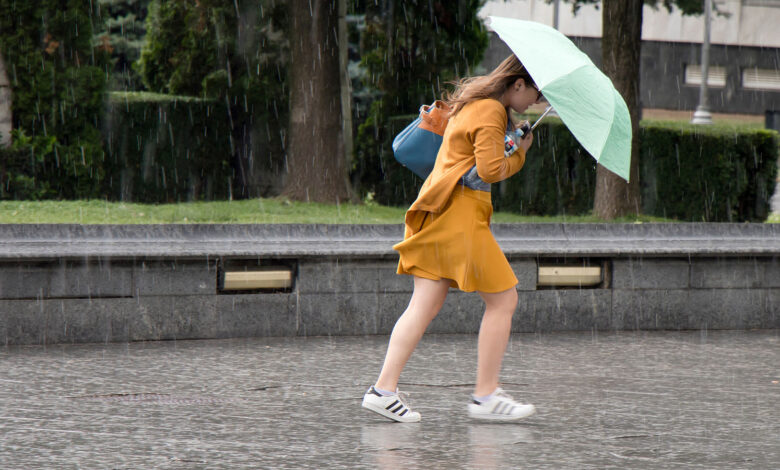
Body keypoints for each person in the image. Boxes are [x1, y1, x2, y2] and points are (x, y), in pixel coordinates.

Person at [362, 54, 543, 423]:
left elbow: (474, 164)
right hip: (461, 216)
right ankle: (486, 395)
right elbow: (489, 171)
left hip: (438, 211)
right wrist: (520, 155)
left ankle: (383, 390)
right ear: (518, 83)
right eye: (535, 95)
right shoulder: (491, 109)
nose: (535, 104)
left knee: (423, 306)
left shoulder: (475, 104)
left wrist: (508, 142)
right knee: (504, 300)